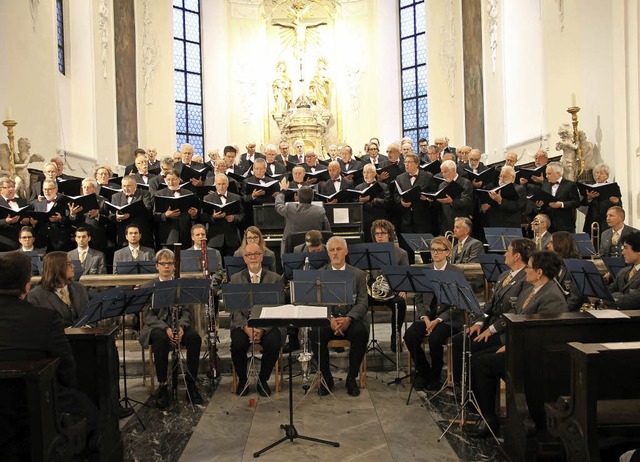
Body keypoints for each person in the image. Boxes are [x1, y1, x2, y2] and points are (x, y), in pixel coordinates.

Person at [0, 251, 98, 458]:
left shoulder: (75, 291)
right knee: (90, 414)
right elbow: (67, 372)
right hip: (31, 403)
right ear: (27, 284)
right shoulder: (44, 318)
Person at [468, 250, 568, 437]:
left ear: (539, 272)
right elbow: (517, 317)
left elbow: (543, 334)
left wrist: (511, 346)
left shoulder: (551, 296)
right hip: (519, 345)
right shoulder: (532, 289)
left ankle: (490, 420)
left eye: (529, 267)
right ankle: (486, 413)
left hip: (533, 355)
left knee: (482, 364)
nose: (526, 270)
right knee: (478, 358)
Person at [451, 238, 535, 383]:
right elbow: (490, 304)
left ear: (517, 256)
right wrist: (479, 321)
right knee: (459, 341)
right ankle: (461, 386)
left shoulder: (526, 279)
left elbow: (517, 311)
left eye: (508, 251)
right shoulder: (504, 275)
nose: (505, 254)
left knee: (474, 350)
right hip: (490, 323)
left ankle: (472, 387)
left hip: (503, 330)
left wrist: (491, 329)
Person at [139, 249, 203, 408]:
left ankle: (191, 384)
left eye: (170, 264)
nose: (166, 267)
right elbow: (148, 316)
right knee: (160, 339)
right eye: (163, 264)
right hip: (157, 326)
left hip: (178, 324)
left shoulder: (181, 285)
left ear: (174, 266)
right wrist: (167, 328)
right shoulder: (149, 286)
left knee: (195, 338)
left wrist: (181, 326)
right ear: (157, 266)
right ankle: (162, 386)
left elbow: (187, 311)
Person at [310, 236, 369, 397]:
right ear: (327, 253)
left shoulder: (358, 275)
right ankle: (327, 378)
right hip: (328, 320)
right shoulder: (319, 275)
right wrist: (330, 319)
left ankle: (351, 378)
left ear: (346, 251)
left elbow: (363, 303)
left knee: (360, 333)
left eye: (338, 249)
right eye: (332, 250)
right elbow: (316, 303)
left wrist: (349, 318)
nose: (335, 253)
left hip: (351, 319)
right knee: (315, 334)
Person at [404, 236, 465, 390]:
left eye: (439, 250)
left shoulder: (456, 272)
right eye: (433, 250)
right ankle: (424, 371)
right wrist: (425, 318)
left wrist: (437, 320)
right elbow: (418, 298)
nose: (435, 253)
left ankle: (436, 375)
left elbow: (458, 303)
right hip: (428, 317)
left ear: (447, 252)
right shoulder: (425, 271)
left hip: (449, 318)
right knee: (410, 336)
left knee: (435, 339)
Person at [229, 243, 284, 397]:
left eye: (256, 254)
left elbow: (277, 307)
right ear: (244, 259)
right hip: (243, 325)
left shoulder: (275, 279)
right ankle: (243, 380)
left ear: (261, 256)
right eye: (249, 255)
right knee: (238, 344)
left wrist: (262, 329)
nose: (253, 257)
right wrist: (246, 327)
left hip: (267, 324)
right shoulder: (235, 279)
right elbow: (234, 309)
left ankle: (262, 379)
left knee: (274, 342)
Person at [369, 219, 408, 351]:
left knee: (400, 303)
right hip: (373, 292)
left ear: (389, 234)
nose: (379, 236)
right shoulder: (368, 253)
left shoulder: (401, 253)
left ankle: (395, 337)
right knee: (356, 301)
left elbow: (406, 276)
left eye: (383, 233)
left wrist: (404, 289)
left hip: (392, 293)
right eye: (376, 233)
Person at [26, 251, 89, 327]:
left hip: (84, 336)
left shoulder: (79, 288)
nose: (73, 266)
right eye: (69, 264)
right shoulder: (36, 295)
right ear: (57, 267)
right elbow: (36, 325)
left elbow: (89, 315)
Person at [275, 182, 331, 252]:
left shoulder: (290, 208)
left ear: (297, 197)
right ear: (312, 197)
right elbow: (327, 232)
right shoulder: (320, 211)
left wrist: (282, 192)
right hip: (313, 251)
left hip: (290, 252)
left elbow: (278, 206)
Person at [153, 170, 199, 246]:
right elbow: (154, 215)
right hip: (168, 234)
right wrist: (165, 215)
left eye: (173, 179)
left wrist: (194, 214)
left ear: (179, 179)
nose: (171, 182)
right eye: (168, 180)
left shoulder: (189, 193)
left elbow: (195, 215)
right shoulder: (159, 194)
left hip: (185, 233)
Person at [202, 173, 244, 256]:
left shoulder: (236, 197)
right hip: (214, 238)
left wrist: (234, 218)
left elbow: (242, 215)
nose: (221, 186)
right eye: (219, 184)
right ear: (215, 184)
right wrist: (213, 217)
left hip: (232, 238)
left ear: (228, 184)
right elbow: (203, 216)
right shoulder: (207, 198)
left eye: (223, 184)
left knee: (232, 264)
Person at [535, 161, 580, 233]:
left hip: (564, 224)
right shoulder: (545, 185)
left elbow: (576, 202)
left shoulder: (570, 185)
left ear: (558, 173)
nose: (546, 176)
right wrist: (539, 206)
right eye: (546, 174)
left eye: (549, 174)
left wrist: (561, 204)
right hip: (548, 224)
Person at [432, 159, 474, 234]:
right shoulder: (442, 185)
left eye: (445, 172)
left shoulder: (465, 183)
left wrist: (452, 202)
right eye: (442, 172)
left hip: (460, 220)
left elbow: (467, 201)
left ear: (454, 170)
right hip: (445, 221)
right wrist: (431, 199)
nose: (443, 175)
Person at [548, 231, 587, 311]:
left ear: (561, 244)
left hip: (572, 312)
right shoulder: (556, 264)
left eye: (551, 242)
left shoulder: (576, 266)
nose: (548, 246)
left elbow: (575, 298)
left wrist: (560, 311)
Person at [355, 164, 391, 240]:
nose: (366, 175)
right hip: (365, 222)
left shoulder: (383, 186)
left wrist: (374, 200)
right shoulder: (358, 188)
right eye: (364, 172)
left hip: (379, 220)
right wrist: (360, 201)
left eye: (368, 172)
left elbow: (388, 202)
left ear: (374, 173)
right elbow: (354, 204)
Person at [608, 231, 640, 310]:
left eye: (626, 248)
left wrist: (614, 297)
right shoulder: (623, 272)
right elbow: (607, 292)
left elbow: (632, 300)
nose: (623, 253)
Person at [0, 176, 30, 251]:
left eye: (13, 187)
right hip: (5, 239)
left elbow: (29, 215)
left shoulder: (22, 201)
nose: (11, 189)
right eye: (8, 187)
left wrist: (27, 220)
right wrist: (6, 221)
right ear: (1, 190)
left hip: (24, 239)